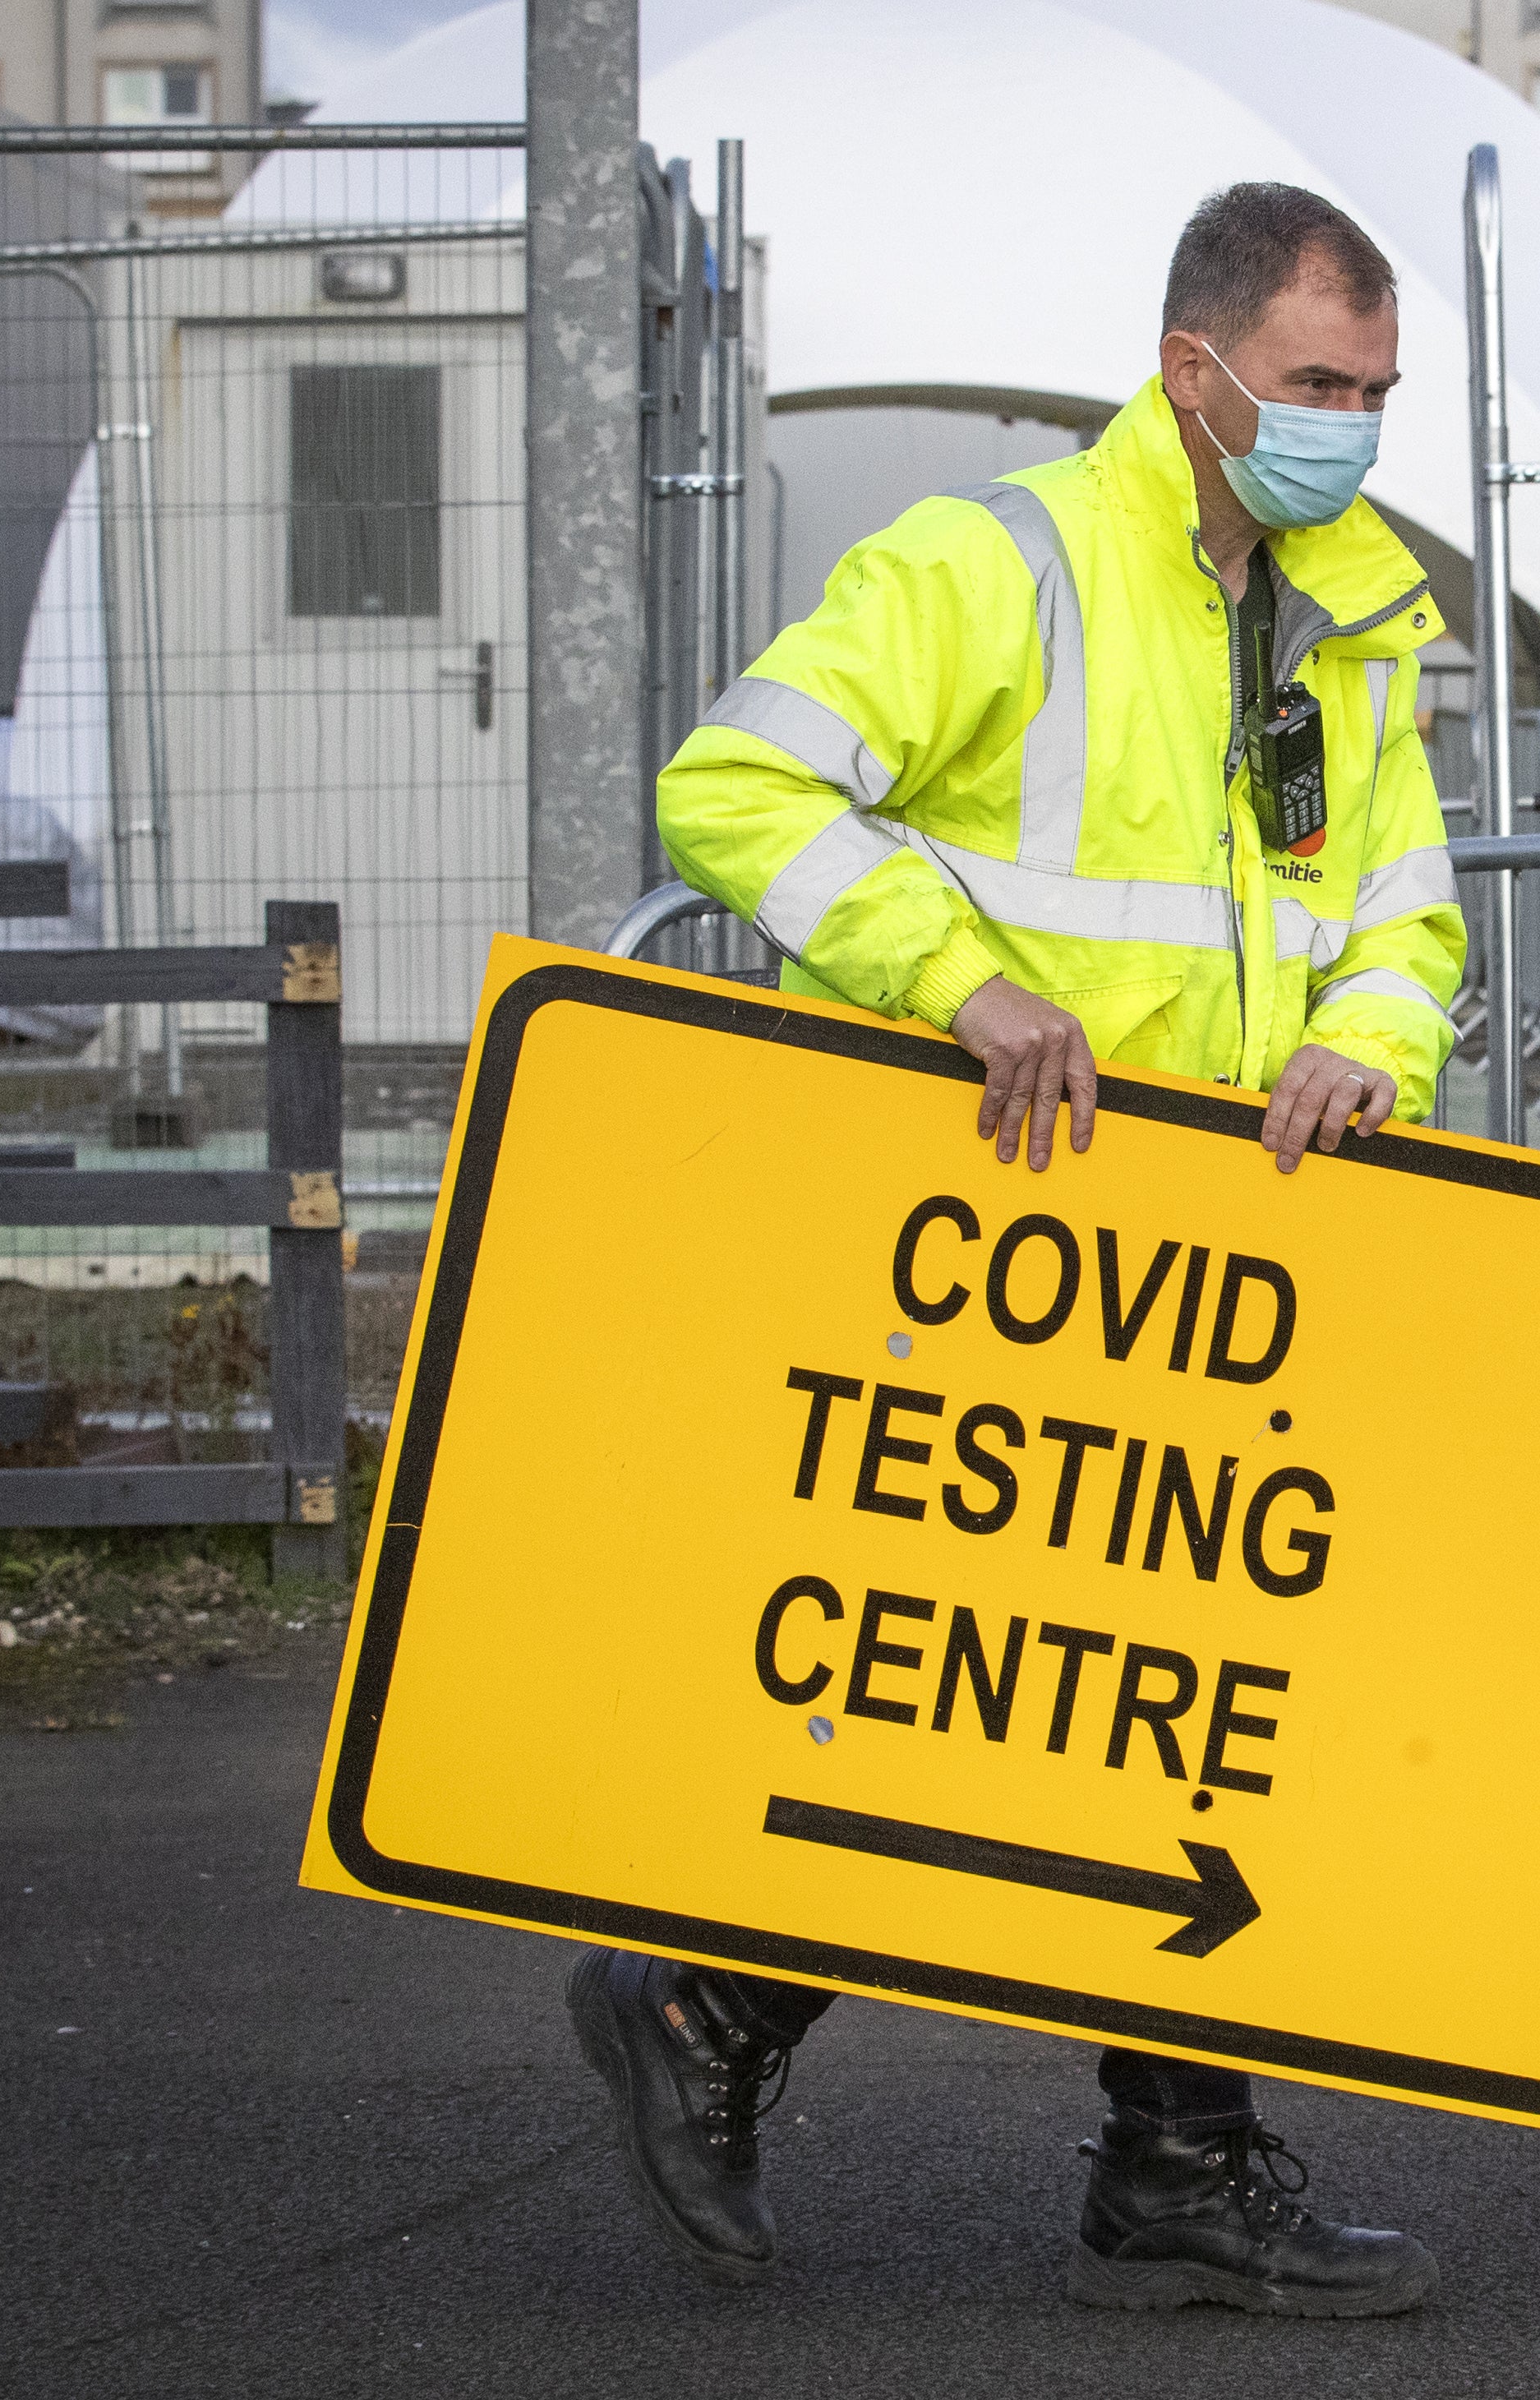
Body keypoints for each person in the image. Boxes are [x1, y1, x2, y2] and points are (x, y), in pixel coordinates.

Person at [586, 183, 1460, 2320]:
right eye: (1319, 385)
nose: (1350, 426)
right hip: (998, 1237)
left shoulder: (1342, 621)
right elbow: (735, 788)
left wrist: (1362, 1047)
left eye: (1376, 393)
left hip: (1212, 1263)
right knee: (995, 1694)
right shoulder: (997, 564)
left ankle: (1156, 2150)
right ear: (1197, 367)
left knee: (1173, 1710)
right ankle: (715, 2008)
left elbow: (1403, 919)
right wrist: (958, 982)